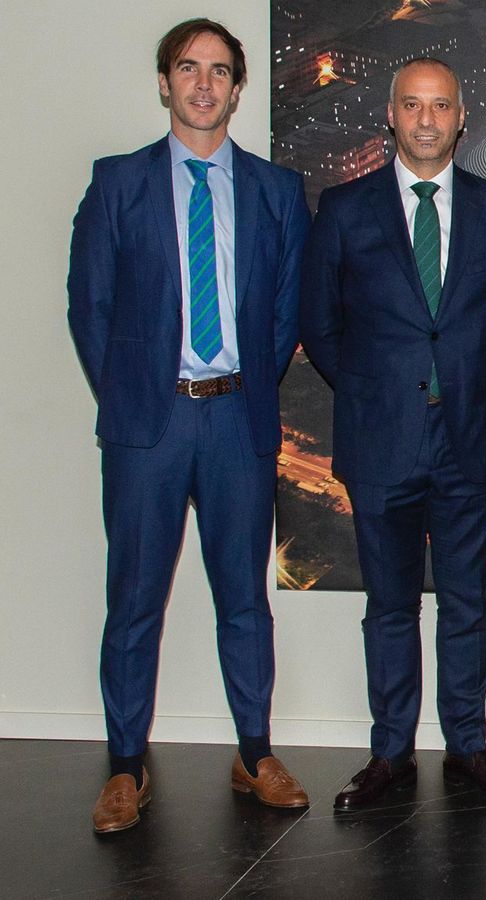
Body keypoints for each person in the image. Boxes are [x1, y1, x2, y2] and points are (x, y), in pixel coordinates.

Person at [67, 18, 311, 833]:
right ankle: (125, 766)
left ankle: (254, 751)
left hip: (237, 420)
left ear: (238, 89)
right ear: (165, 82)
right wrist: (138, 395)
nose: (203, 84)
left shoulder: (276, 191)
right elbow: (89, 307)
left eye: (218, 71)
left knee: (244, 599)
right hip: (150, 427)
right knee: (133, 602)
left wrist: (243, 387)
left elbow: (283, 312)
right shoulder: (117, 184)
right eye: (187, 68)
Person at [299, 56, 486, 809]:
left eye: (441, 105)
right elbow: (321, 326)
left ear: (460, 117)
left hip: (470, 440)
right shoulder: (343, 209)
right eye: (413, 105)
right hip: (381, 443)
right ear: (392, 116)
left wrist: (458, 385)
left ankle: (468, 747)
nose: (427, 119)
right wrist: (380, 394)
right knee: (391, 608)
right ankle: (390, 755)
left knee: (467, 604)